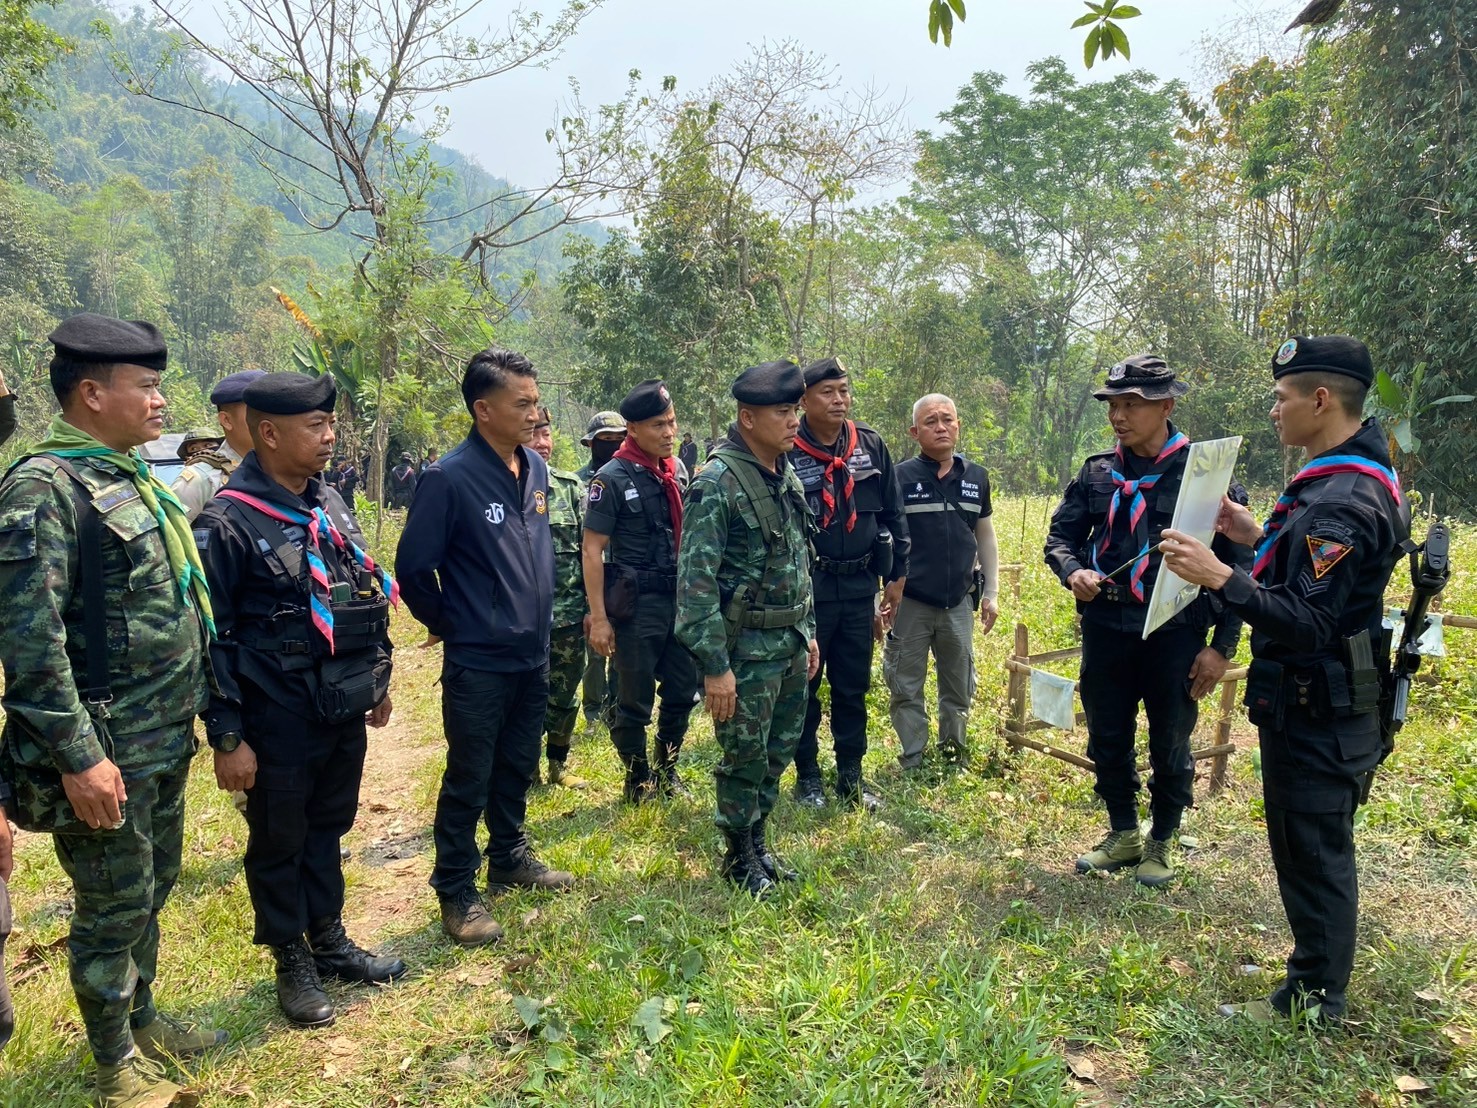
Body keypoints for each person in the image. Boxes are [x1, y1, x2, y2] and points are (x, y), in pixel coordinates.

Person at [0, 313, 223, 1105]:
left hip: (158, 736)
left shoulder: (125, 477)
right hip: (104, 748)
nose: (161, 401)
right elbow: (31, 644)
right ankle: (114, 1066)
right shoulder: (43, 489)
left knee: (152, 884)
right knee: (111, 904)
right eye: (147, 387)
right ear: (92, 394)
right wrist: (79, 757)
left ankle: (143, 1017)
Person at [1160, 336, 1409, 1022]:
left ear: (1320, 400)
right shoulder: (1340, 482)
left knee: (1314, 851)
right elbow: (1310, 576)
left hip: (1318, 706)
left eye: (1281, 397)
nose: (1274, 410)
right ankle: (1312, 968)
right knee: (1305, 845)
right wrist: (1249, 536)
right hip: (1315, 701)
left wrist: (1220, 575)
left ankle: (1313, 998)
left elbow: (1308, 621)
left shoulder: (1341, 501)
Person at [196, 372, 403, 1029]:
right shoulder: (227, 522)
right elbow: (210, 638)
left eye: (330, 423)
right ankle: (291, 959)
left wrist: (377, 678)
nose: (329, 435)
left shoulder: (329, 503)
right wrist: (228, 735)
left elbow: (362, 589)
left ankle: (330, 940)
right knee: (279, 838)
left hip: (338, 704)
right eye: (315, 425)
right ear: (268, 433)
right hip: (275, 714)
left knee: (328, 826)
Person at [1044, 355, 1251, 887]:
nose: (1118, 415)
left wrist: (1221, 648)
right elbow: (1061, 538)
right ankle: (1123, 832)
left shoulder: (1206, 476)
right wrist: (1073, 572)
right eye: (1113, 404)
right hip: (1107, 625)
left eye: (1131, 404)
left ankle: (1162, 838)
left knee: (1170, 739)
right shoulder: (1097, 473)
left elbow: (1238, 566)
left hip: (1175, 631)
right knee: (1107, 734)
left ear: (1166, 406)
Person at [397, 347, 573, 949]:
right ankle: (456, 889)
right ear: (483, 409)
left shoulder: (537, 469)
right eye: (521, 404)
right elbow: (413, 568)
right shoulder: (449, 478)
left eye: (536, 402)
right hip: (478, 660)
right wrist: (455, 621)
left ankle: (510, 856)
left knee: (517, 763)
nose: (534, 414)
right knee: (469, 774)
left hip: (534, 653)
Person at [676, 360, 819, 896]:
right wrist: (716, 668)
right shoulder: (717, 483)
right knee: (745, 758)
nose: (794, 421)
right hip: (746, 652)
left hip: (789, 642)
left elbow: (799, 560)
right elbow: (694, 588)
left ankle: (758, 843)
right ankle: (738, 857)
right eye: (783, 412)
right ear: (748, 418)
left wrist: (808, 631)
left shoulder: (783, 473)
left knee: (777, 751)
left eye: (795, 410)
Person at [788, 357, 909, 811]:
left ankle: (851, 777)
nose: (839, 400)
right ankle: (808, 778)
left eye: (844, 390)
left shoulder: (870, 445)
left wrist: (896, 575)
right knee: (804, 686)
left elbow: (894, 513)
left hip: (860, 588)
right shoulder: (788, 448)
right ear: (804, 400)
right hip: (810, 590)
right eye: (827, 392)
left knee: (852, 687)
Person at [583, 380, 700, 802]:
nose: (669, 433)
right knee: (633, 699)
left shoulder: (675, 471)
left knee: (682, 690)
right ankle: (637, 779)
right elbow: (592, 549)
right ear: (632, 429)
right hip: (636, 605)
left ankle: (667, 771)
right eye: (658, 425)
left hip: (678, 601)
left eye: (671, 422)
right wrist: (599, 618)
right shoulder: (611, 478)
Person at [884, 394, 999, 769]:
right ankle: (913, 757)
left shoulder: (976, 477)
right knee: (905, 684)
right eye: (930, 422)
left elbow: (986, 536)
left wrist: (992, 592)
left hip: (959, 601)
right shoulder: (898, 477)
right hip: (911, 602)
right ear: (914, 432)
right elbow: (885, 538)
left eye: (947, 420)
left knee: (959, 683)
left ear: (958, 426)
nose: (941, 427)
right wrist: (881, 593)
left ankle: (953, 753)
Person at [529, 407, 588, 789]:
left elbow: (590, 553)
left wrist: (593, 611)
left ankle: (557, 763)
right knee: (526, 698)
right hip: (522, 622)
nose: (541, 442)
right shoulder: (502, 489)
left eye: (546, 433)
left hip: (568, 616)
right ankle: (526, 768)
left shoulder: (570, 488)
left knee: (565, 694)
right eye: (533, 433)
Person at [578, 412, 627, 727]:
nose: (612, 445)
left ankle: (617, 711)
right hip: (592, 579)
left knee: (623, 652)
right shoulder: (578, 483)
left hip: (624, 580)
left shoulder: (632, 478)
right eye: (605, 440)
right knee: (594, 653)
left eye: (619, 439)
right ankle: (593, 712)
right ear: (591, 443)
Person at [170, 368, 267, 522]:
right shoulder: (201, 481)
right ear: (226, 420)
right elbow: (177, 534)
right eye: (257, 412)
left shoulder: (288, 468)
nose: (269, 420)